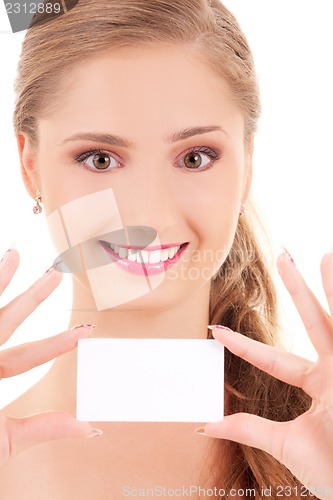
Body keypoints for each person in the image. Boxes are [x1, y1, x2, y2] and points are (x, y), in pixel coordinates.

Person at [0, 0, 332, 498]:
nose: (149, 219)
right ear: (31, 168)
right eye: (99, 158)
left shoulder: (319, 441)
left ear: (247, 166)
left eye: (195, 158)